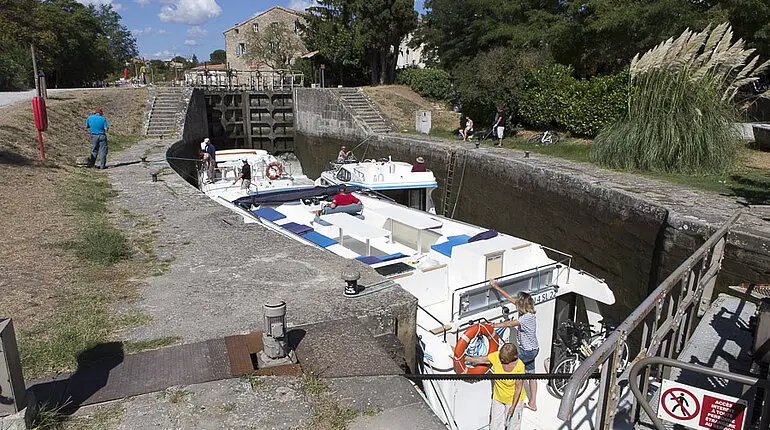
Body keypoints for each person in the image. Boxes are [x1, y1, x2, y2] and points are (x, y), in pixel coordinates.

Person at [491, 279, 539, 411]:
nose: (516, 302)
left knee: (514, 370)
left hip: (526, 351)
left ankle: (514, 399)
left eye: (518, 302)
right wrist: (496, 287)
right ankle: (533, 403)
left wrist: (493, 325)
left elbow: (509, 324)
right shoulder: (529, 312)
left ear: (522, 305)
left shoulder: (525, 318)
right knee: (531, 375)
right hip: (533, 349)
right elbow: (510, 299)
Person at [466, 343, 526, 430]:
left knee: (512, 427)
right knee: (494, 425)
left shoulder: (520, 367)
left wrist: (513, 407)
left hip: (513, 400)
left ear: (512, 358)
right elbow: (480, 360)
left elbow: (518, 388)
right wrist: (467, 358)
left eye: (504, 359)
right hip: (498, 398)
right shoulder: (497, 356)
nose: (501, 359)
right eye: (501, 357)